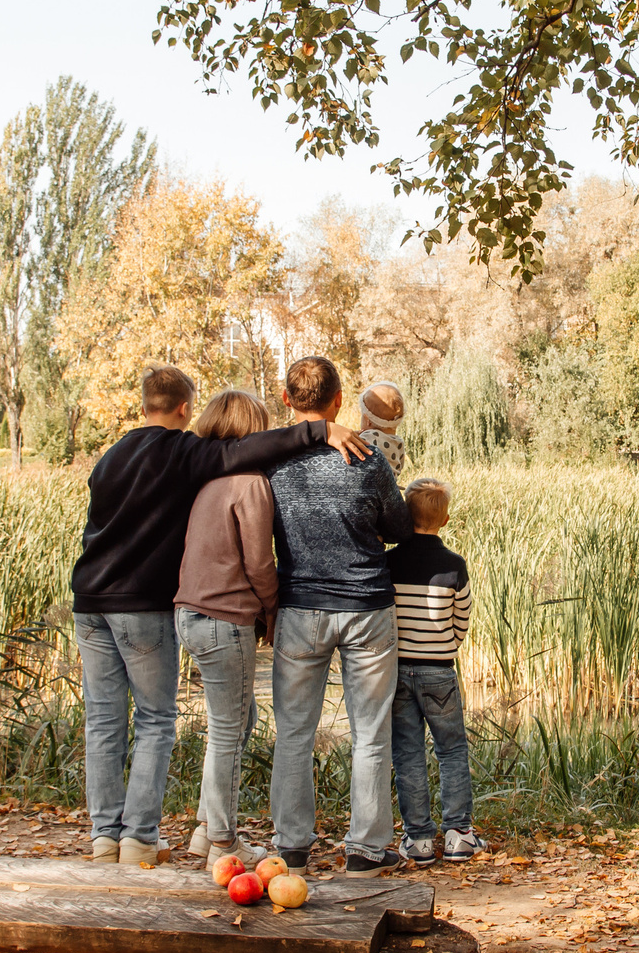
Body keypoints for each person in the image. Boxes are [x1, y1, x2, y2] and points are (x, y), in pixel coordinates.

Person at [69, 364, 371, 867]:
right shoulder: (184, 453)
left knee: (102, 718)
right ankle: (142, 837)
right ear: (185, 408)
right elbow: (248, 453)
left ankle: (105, 835)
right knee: (157, 719)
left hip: (89, 601)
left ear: (145, 403)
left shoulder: (110, 457)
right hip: (141, 604)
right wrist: (322, 429)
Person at [267, 354, 411, 875]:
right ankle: (367, 848)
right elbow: (398, 527)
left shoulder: (272, 462)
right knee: (369, 731)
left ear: (286, 400)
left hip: (300, 608)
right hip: (367, 606)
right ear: (338, 401)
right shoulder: (367, 459)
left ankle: (292, 844)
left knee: (294, 730)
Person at [173, 388, 279, 863]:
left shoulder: (205, 480)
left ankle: (204, 829)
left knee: (238, 720)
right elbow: (259, 562)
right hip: (224, 617)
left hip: (189, 613)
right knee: (228, 729)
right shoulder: (249, 482)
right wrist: (273, 608)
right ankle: (222, 842)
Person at [386, 477, 486, 863]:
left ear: (405, 516)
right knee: (451, 749)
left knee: (407, 752)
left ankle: (419, 839)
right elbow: (462, 619)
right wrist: (446, 645)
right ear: (444, 520)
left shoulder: (390, 561)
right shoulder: (453, 565)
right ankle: (459, 833)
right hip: (439, 669)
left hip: (397, 671)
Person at [357, 381, 409, 475]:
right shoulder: (398, 442)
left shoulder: (369, 437)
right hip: (388, 487)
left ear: (367, 419)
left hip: (370, 486)